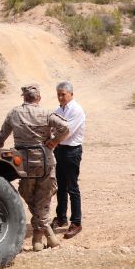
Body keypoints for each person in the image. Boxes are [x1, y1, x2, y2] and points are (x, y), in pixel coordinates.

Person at [0, 84, 69, 251]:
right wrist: (54, 141)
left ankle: (38, 237)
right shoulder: (46, 113)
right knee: (44, 197)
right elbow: (65, 127)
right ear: (38, 98)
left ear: (24, 98)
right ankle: (45, 233)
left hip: (23, 164)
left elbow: (0, 137)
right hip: (45, 162)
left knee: (28, 194)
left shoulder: (14, 113)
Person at [51, 81, 86, 239]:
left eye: (63, 94)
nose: (60, 97)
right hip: (60, 150)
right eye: (58, 94)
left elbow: (66, 131)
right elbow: (52, 128)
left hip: (72, 151)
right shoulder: (59, 110)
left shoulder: (76, 110)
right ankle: (61, 217)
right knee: (60, 186)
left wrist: (52, 141)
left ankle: (76, 222)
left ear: (71, 94)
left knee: (72, 187)